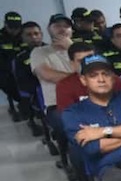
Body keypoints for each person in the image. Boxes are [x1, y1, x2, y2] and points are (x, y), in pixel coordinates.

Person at [57, 43, 121, 181]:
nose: (86, 64)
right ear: (72, 64)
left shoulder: (112, 80)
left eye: (90, 58)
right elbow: (71, 121)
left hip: (117, 126)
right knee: (76, 150)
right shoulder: (64, 85)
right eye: (80, 60)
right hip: (88, 132)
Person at [31, 14, 75, 158]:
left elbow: (93, 71)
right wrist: (80, 78)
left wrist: (72, 49)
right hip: (57, 104)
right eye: (57, 26)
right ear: (49, 30)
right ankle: (67, 159)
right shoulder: (39, 52)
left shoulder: (81, 50)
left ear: (72, 30)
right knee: (65, 126)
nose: (62, 29)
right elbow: (48, 75)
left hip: (88, 99)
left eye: (66, 26)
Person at [13, 21, 47, 136]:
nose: (34, 37)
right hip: (37, 91)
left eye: (36, 33)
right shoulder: (20, 58)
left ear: (41, 34)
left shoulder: (52, 50)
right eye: (29, 35)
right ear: (22, 37)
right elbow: (23, 81)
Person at [0, 11, 26, 120]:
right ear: (5, 24)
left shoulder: (24, 35)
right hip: (5, 71)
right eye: (11, 28)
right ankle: (22, 104)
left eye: (17, 28)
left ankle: (28, 106)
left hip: (23, 68)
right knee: (9, 83)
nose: (14, 30)